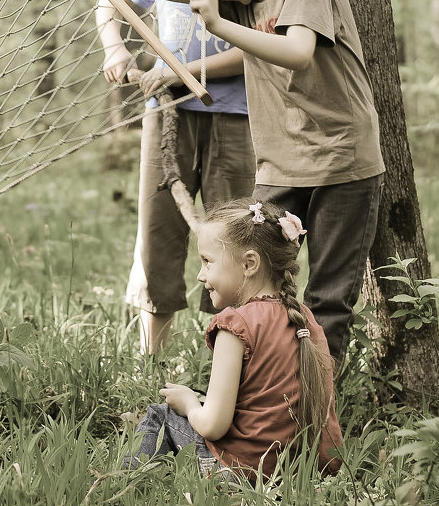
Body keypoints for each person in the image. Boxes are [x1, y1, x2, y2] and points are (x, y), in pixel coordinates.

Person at [54, 0, 384, 369]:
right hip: (280, 163)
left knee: (327, 299)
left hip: (342, 162)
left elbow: (298, 51)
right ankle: (258, 392)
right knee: (254, 285)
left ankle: (315, 413)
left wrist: (217, 25)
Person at [97, 0, 254, 356]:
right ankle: (152, 355)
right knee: (159, 227)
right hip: (166, 114)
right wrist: (116, 48)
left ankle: (228, 353)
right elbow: (110, 3)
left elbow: (258, 51)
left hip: (235, 116)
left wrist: (185, 69)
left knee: (233, 230)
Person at [127, 199, 342, 480]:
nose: (200, 275)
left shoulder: (235, 324)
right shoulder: (305, 320)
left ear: (249, 263)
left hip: (241, 471)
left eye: (207, 261)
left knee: (161, 414)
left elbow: (213, 426)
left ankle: (125, 484)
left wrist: (190, 404)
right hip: (301, 472)